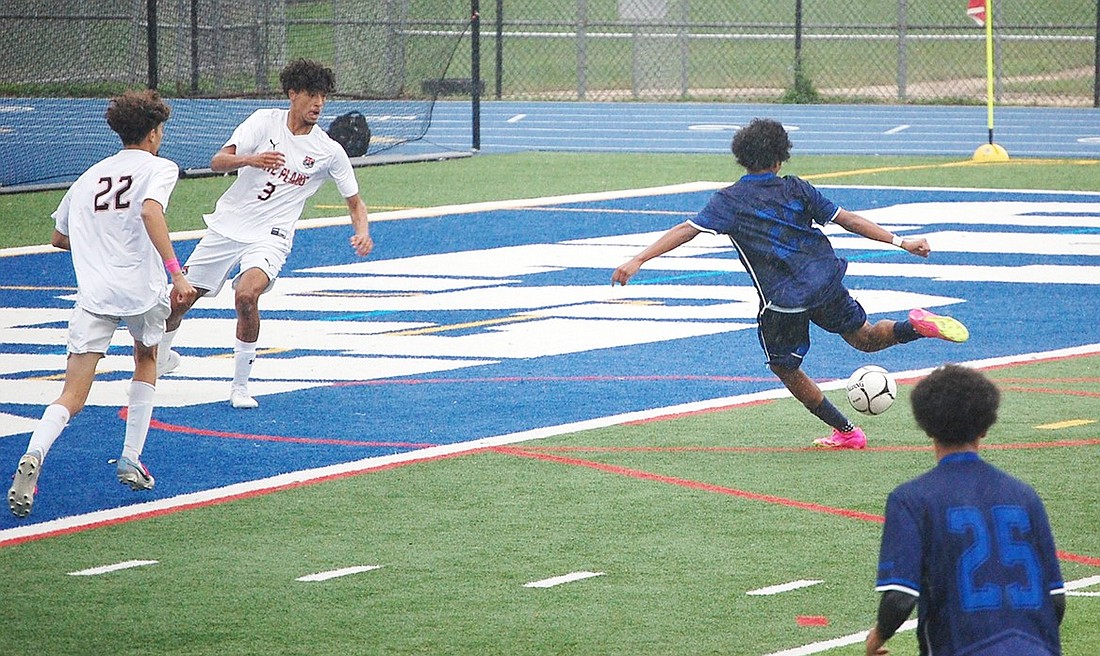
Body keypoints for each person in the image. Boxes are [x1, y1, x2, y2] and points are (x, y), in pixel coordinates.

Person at [611, 117, 969, 448]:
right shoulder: (797, 189)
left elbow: (686, 231)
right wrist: (902, 242)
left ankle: (846, 432)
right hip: (825, 281)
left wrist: (638, 258)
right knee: (867, 338)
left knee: (785, 367)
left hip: (784, 301)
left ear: (741, 158)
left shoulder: (730, 201)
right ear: (781, 159)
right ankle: (918, 327)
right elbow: (849, 220)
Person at [7, 90, 198, 518]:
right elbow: (151, 212)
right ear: (152, 133)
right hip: (141, 290)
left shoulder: (89, 176)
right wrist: (177, 272)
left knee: (72, 393)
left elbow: (58, 238)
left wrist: (98, 246)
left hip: (95, 293)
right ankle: (131, 457)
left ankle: (35, 451)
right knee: (147, 358)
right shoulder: (159, 167)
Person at [156, 58, 374, 409]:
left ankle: (240, 386)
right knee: (179, 300)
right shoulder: (263, 122)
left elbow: (355, 202)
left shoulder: (328, 151)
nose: (318, 104)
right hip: (228, 224)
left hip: (271, 235)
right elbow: (217, 162)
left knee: (246, 295)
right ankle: (162, 357)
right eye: (311, 95)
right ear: (292, 94)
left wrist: (361, 232)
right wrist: (251, 160)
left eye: (323, 97)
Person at [865, 364, 1065, 656]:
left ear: (925, 425)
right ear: (985, 426)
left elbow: (899, 598)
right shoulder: (1024, 496)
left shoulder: (911, 499)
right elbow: (1056, 600)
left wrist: (877, 639)